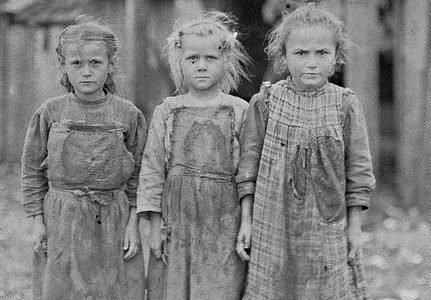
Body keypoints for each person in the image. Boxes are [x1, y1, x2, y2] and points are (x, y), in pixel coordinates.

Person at [235, 3, 375, 299]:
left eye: (322, 53)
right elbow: (248, 166)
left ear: (336, 57)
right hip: (272, 221)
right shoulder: (266, 102)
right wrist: (246, 221)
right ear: (283, 56)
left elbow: (359, 172)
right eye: (301, 53)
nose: (311, 62)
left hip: (326, 225)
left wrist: (354, 228)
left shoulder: (345, 104)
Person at [21, 18, 147, 299]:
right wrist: (38, 221)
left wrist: (133, 223)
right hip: (62, 217)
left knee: (113, 289)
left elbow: (140, 173)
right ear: (64, 66)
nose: (87, 72)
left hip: (113, 216)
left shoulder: (128, 114)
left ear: (111, 64)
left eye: (96, 62)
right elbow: (31, 170)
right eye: (77, 63)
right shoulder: (50, 112)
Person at [136, 11, 251, 300]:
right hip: (176, 224)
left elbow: (248, 171)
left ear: (226, 61)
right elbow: (151, 170)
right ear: (179, 61)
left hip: (224, 221)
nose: (202, 66)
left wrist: (246, 222)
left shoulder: (239, 110)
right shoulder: (167, 110)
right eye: (193, 59)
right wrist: (152, 225)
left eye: (211, 58)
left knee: (220, 288)